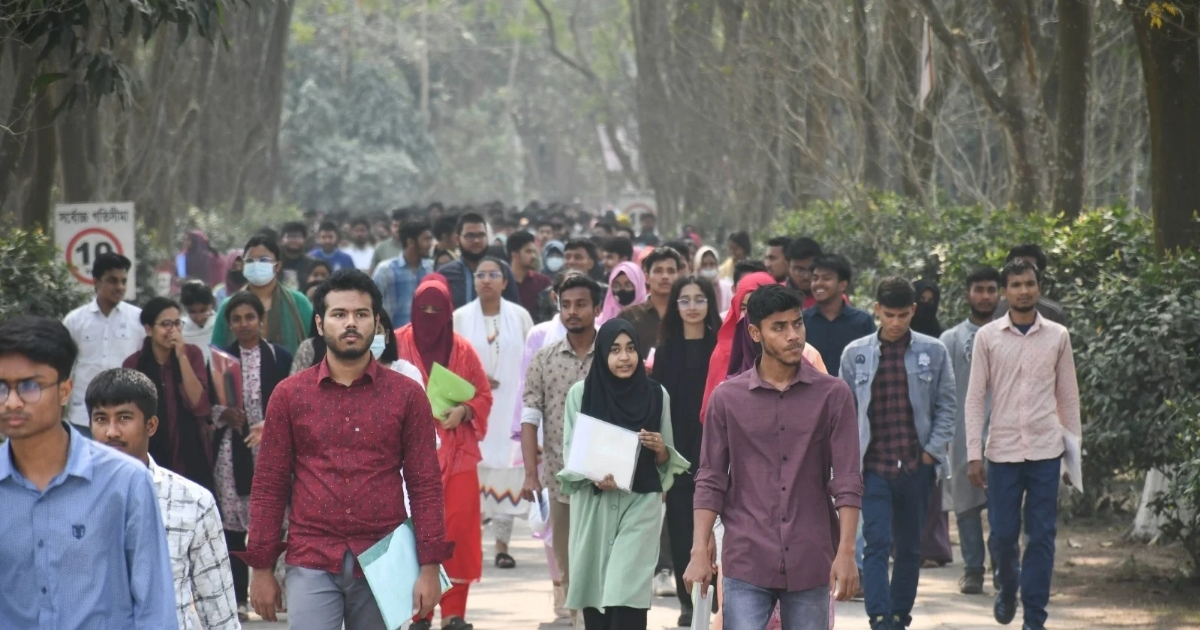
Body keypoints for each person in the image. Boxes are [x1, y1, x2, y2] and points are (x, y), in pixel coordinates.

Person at [242, 269, 452, 630]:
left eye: (361, 314)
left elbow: (425, 484)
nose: (350, 323)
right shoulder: (291, 395)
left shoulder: (406, 394)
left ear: (376, 323)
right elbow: (269, 486)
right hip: (310, 556)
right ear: (321, 325)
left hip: (382, 557)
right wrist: (260, 568)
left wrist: (429, 566)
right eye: (339, 314)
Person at [684, 284, 861, 630]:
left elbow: (848, 479)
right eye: (779, 327)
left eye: (797, 324)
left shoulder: (833, 395)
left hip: (811, 555)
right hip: (747, 555)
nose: (792, 335)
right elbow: (711, 478)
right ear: (755, 333)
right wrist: (699, 551)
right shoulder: (728, 399)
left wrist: (847, 552)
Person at [0, 316, 176, 628]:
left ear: (65, 390)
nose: (11, 402)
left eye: (29, 386)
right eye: (1, 387)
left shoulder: (125, 481)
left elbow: (154, 607)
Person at [965, 259, 1081, 630]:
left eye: (1030, 283)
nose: (1024, 290)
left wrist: (1072, 461)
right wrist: (972, 454)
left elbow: (1069, 399)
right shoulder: (988, 337)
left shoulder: (1058, 336)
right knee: (1002, 535)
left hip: (1047, 451)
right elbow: (974, 398)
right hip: (1002, 452)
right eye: (1016, 284)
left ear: (1039, 288)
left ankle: (1035, 616)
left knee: (1042, 535)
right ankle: (1007, 586)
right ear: (1005, 292)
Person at [839, 277, 956, 630]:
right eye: (889, 314)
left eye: (903, 315)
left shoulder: (933, 351)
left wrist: (930, 454)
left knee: (909, 547)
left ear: (913, 311)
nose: (895, 322)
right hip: (872, 466)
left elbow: (947, 406)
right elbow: (842, 412)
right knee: (876, 542)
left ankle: (899, 615)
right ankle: (879, 616)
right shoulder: (854, 353)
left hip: (915, 467)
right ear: (877, 310)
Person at [557, 319, 690, 630]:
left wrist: (660, 448)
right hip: (595, 506)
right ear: (602, 354)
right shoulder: (581, 395)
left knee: (626, 594)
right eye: (615, 350)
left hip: (640, 504)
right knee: (597, 595)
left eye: (631, 348)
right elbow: (570, 456)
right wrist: (592, 475)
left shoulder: (658, 395)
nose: (624, 357)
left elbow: (667, 461)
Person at [87, 368, 241, 630]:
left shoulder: (193, 502)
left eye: (124, 418)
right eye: (101, 419)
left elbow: (218, 608)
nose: (111, 432)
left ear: (151, 425)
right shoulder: (68, 498)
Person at [395, 274, 494, 630]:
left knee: (459, 534)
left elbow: (483, 395)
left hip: (459, 455)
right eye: (425, 309)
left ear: (450, 311)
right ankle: (419, 614)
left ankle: (454, 615)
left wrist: (464, 411)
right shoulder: (396, 344)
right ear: (413, 309)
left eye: (439, 309)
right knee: (412, 533)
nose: (431, 315)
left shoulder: (463, 349)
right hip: (409, 458)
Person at [519, 272, 603, 623]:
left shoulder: (616, 354)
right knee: (569, 566)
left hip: (607, 479)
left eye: (581, 304)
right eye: (566, 305)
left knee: (603, 564)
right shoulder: (545, 358)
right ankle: (577, 621)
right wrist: (529, 475)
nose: (573, 312)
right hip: (560, 479)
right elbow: (529, 416)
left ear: (597, 308)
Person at [215, 291, 295, 618]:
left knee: (281, 520)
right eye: (237, 319)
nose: (244, 324)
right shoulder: (219, 361)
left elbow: (293, 403)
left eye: (250, 317)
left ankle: (280, 592)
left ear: (261, 320)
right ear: (229, 324)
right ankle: (238, 599)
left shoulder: (280, 357)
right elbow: (209, 405)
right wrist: (224, 414)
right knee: (234, 525)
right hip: (232, 452)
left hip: (274, 449)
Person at [452, 257, 534, 571]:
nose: (486, 279)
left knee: (506, 474)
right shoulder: (460, 318)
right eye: (480, 274)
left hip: (510, 407)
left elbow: (531, 359)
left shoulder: (520, 316)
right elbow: (448, 361)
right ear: (473, 281)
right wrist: (475, 378)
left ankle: (502, 546)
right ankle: (470, 544)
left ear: (504, 281)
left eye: (493, 274)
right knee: (474, 477)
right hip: (473, 409)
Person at [652, 276, 721, 627]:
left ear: (710, 303)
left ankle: (715, 603)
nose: (692, 306)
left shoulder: (720, 347)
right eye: (685, 300)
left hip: (718, 451)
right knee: (681, 531)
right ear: (675, 306)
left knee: (717, 531)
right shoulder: (666, 351)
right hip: (677, 455)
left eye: (699, 299)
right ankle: (688, 603)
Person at [940, 266, 1001, 595]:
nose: (985, 296)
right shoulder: (950, 340)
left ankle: (1003, 568)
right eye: (979, 290)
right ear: (967, 295)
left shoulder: (1010, 334)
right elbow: (942, 392)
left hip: (1006, 433)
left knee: (1003, 506)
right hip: (961, 435)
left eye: (992, 290)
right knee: (965, 506)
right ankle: (974, 569)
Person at [123, 297, 215, 492]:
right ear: (149, 329)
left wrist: (181, 357)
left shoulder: (192, 354)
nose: (173, 330)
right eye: (166, 324)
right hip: (151, 448)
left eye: (177, 324)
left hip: (190, 448)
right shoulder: (134, 364)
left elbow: (199, 405)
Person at [62, 252, 145, 430]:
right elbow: (65, 368)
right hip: (84, 418)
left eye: (123, 281)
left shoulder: (138, 320)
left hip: (126, 416)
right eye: (113, 281)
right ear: (96, 282)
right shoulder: (75, 321)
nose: (120, 287)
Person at [212, 235, 314, 355]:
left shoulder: (298, 302)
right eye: (250, 261)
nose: (256, 265)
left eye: (263, 260)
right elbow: (216, 353)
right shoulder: (228, 306)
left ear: (277, 266)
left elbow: (317, 345)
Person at [911, 279, 953, 569]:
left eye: (931, 299)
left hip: (931, 426)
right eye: (920, 300)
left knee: (932, 492)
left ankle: (933, 549)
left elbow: (946, 394)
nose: (926, 306)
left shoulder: (939, 342)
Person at [700, 271, 777, 419]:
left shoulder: (797, 350)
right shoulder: (722, 354)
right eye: (743, 308)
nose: (749, 315)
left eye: (759, 307)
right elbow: (711, 415)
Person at [803, 254, 876, 377]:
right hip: (811, 394)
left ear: (843, 285)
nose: (818, 283)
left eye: (826, 278)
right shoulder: (801, 321)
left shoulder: (862, 321)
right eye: (815, 278)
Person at [438, 213, 521, 309]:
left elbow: (514, 309)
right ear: (458, 239)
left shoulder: (502, 270)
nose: (477, 241)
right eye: (470, 236)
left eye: (481, 235)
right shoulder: (446, 273)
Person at [618, 247, 682, 356]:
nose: (665, 277)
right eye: (658, 271)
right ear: (647, 277)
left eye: (671, 271)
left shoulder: (686, 314)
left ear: (678, 276)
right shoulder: (629, 316)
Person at [375, 219, 435, 327]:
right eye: (426, 240)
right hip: (393, 339)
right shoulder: (385, 271)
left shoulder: (432, 269)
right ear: (410, 242)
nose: (430, 245)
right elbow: (373, 308)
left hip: (424, 339)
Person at [993, 244, 1068, 326]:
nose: (1024, 291)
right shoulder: (994, 310)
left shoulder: (1053, 312)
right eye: (1016, 285)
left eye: (1029, 268)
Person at [507, 230, 553, 322]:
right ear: (515, 255)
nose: (533, 256)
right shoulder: (502, 282)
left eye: (534, 252)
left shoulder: (543, 282)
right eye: (528, 251)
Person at [182, 281, 218, 365]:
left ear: (211, 304)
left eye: (203, 311)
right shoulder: (180, 329)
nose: (199, 318)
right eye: (192, 312)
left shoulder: (221, 324)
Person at [694, 245, 732, 315]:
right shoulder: (692, 288)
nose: (708, 268)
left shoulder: (727, 288)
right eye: (704, 265)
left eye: (712, 264)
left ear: (717, 265)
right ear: (697, 266)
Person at [278, 221, 315, 291]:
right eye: (290, 236)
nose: (294, 240)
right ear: (282, 239)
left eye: (298, 237)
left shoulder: (312, 264)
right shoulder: (274, 262)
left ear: (305, 239)